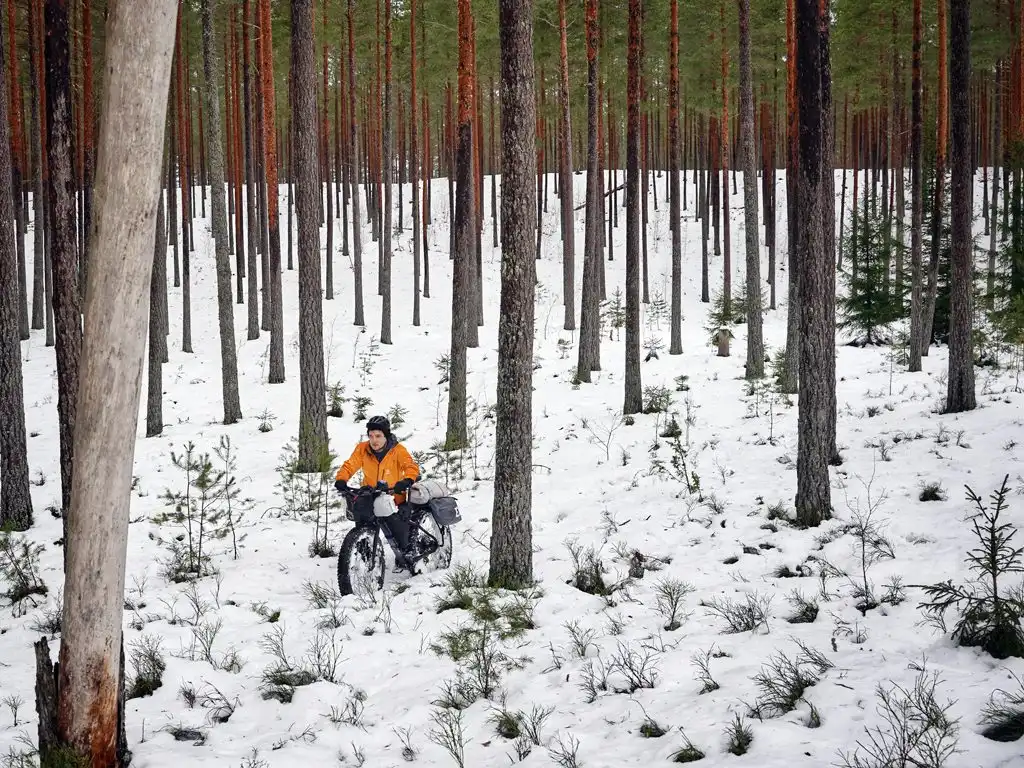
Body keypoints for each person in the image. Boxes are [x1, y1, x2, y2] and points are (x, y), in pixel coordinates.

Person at [334, 415, 421, 568]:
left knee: (399, 531)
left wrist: (406, 480)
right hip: (370, 494)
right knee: (361, 518)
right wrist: (342, 479)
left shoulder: (397, 450)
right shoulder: (363, 448)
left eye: (379, 436)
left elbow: (411, 467)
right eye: (371, 436)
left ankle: (407, 553)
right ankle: (366, 553)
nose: (374, 440)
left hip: (393, 496)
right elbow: (350, 465)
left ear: (386, 435)